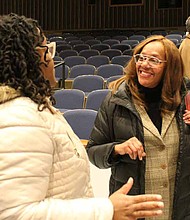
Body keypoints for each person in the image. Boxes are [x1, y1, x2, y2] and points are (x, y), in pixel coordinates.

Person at [0, 13, 164, 220]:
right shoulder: (21, 118)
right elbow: (15, 213)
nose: (53, 58)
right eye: (48, 50)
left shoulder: (29, 110)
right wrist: (106, 210)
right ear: (33, 58)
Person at [86, 35, 190, 219]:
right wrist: (117, 148)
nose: (144, 64)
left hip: (180, 208)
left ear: (170, 67)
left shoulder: (186, 100)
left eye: (154, 60)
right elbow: (93, 152)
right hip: (133, 210)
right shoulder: (115, 101)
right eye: (141, 58)